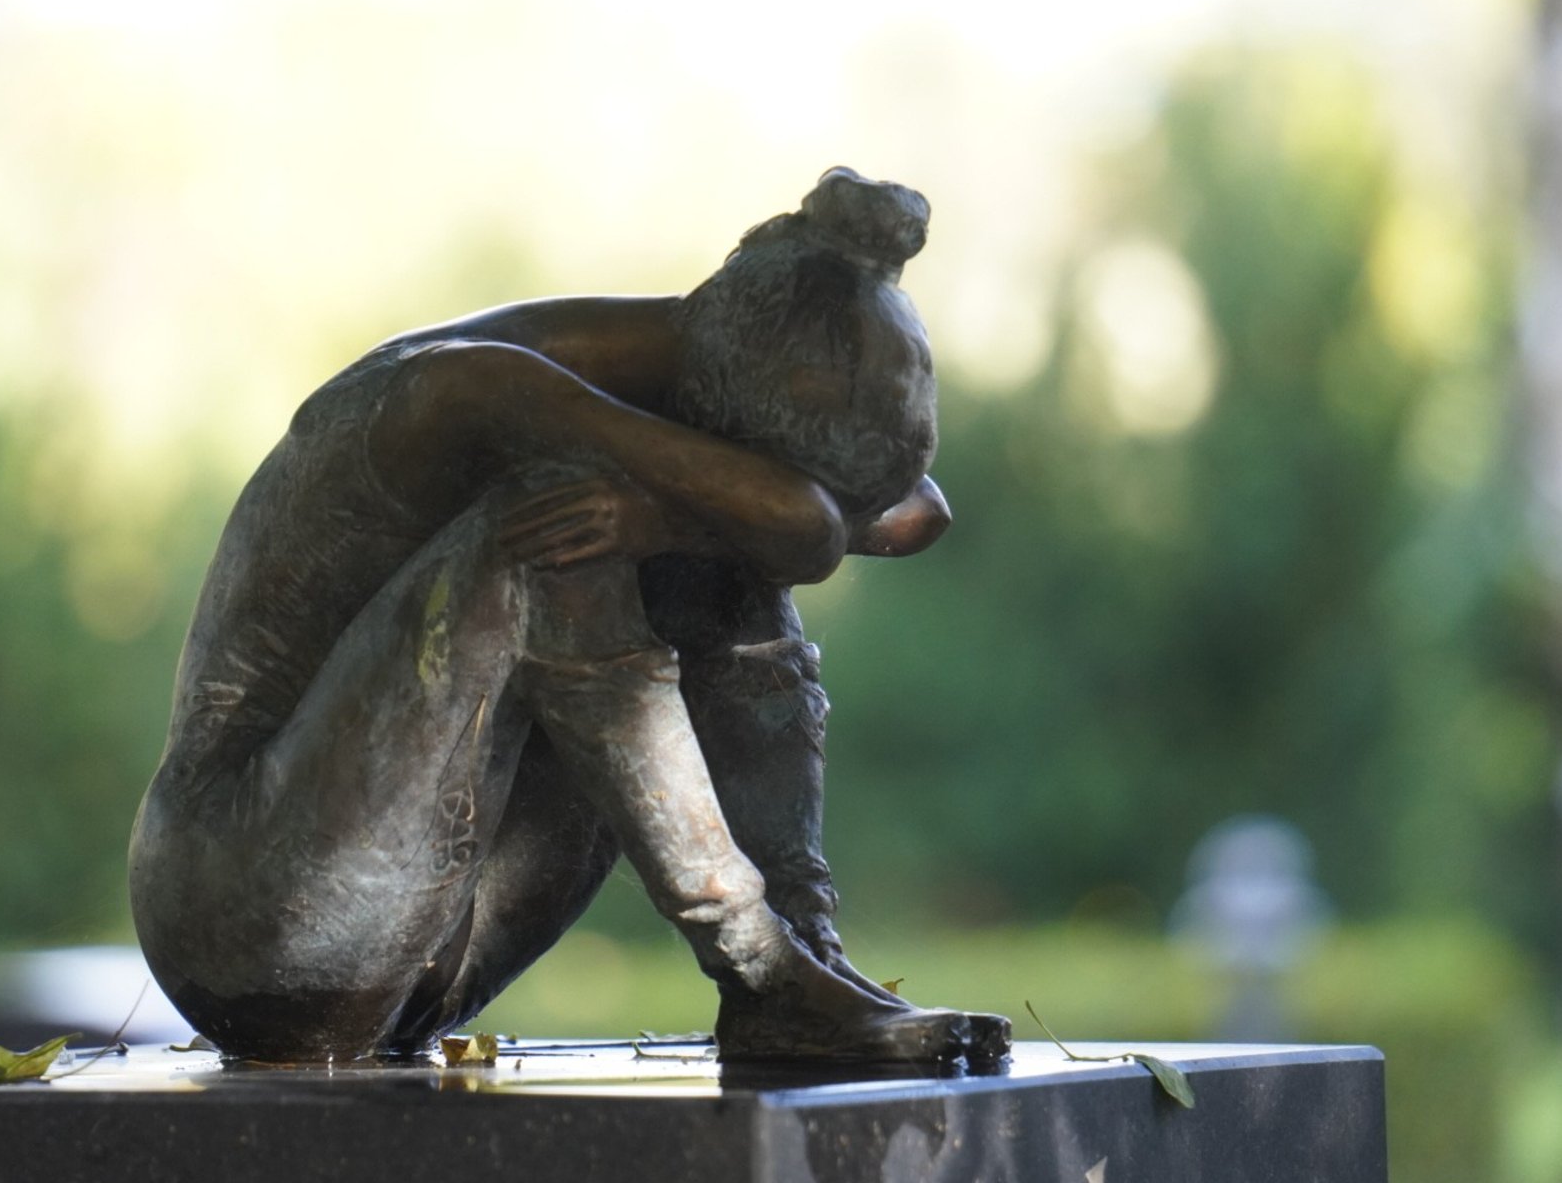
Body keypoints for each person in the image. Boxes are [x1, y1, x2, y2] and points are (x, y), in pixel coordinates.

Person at [128, 168, 1010, 1064]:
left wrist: (684, 518)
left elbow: (912, 511)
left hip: (427, 947)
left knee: (702, 552)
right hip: (246, 921)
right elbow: (805, 523)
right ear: (716, 395)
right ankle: (756, 959)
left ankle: (804, 954)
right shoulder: (473, 386)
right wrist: (732, 516)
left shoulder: (704, 373)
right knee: (555, 535)